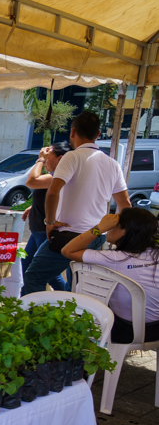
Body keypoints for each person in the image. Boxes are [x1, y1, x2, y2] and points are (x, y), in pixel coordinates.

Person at [20, 111, 131, 295]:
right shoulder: (112, 164)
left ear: (72, 132)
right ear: (97, 134)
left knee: (34, 277)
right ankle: (72, 320)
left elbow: (53, 192)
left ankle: (32, 321)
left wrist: (49, 223)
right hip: (96, 236)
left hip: (68, 235)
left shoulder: (71, 157)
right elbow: (125, 204)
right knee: (78, 287)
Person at [62, 209, 159, 343]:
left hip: (126, 331)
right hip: (156, 329)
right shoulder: (155, 253)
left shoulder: (114, 258)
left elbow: (67, 250)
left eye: (113, 225)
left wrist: (99, 228)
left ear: (123, 232)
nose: (109, 228)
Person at [21, 142, 71, 291]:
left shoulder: (56, 177)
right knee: (28, 267)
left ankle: (64, 301)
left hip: (45, 231)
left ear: (60, 159)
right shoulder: (52, 177)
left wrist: (40, 160)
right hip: (37, 231)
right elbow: (49, 197)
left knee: (45, 273)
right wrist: (33, 206)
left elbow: (31, 181)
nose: (45, 161)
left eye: (49, 158)